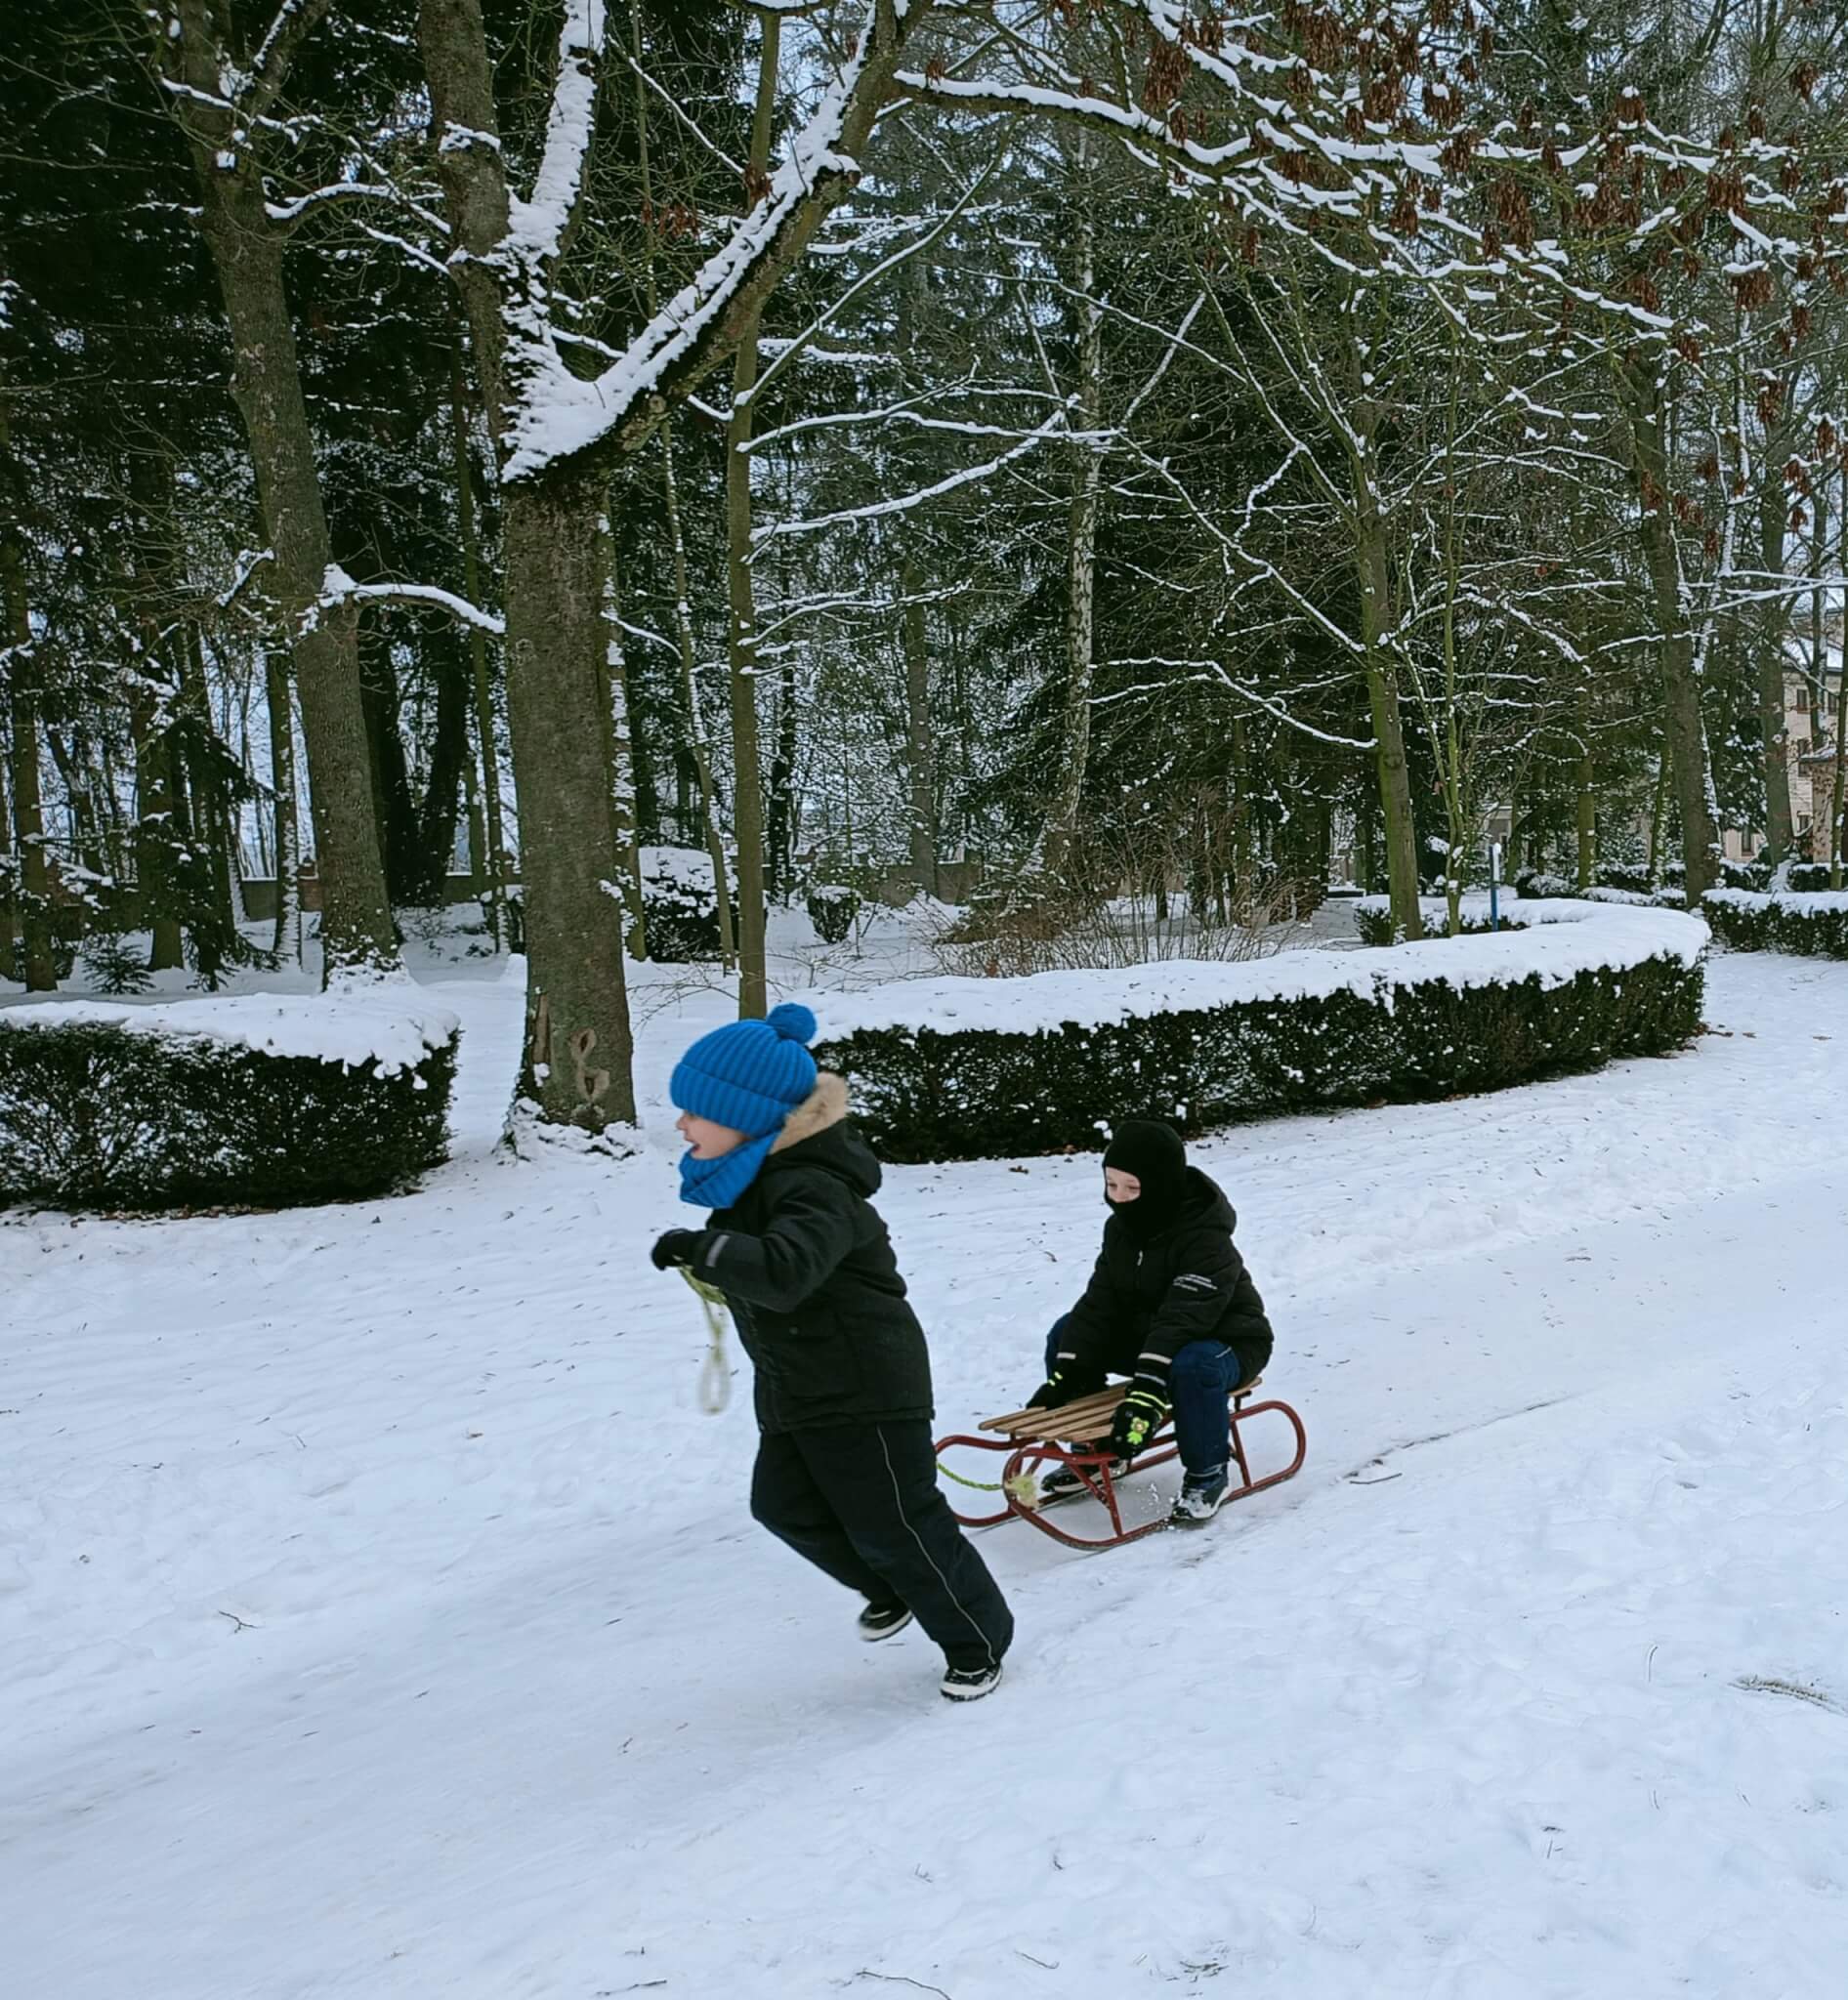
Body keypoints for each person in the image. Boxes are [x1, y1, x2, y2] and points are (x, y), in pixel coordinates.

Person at [651, 1002, 1014, 1702]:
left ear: (747, 1116)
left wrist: (708, 1249)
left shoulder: (812, 1185)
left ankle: (977, 1638)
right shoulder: (755, 1182)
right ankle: (890, 1587)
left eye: (695, 1111)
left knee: (898, 1522)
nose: (682, 1125)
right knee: (782, 1505)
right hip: (797, 1383)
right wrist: (714, 1260)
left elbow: (788, 1270)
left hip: (865, 1383)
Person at [1026, 1118, 1274, 1527]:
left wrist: (1148, 1387)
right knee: (1066, 1332)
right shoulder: (1120, 1231)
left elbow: (1185, 1317)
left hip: (1227, 1341)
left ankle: (1208, 1472)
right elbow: (1100, 1301)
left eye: (1132, 1188)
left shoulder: (1205, 1236)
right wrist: (1068, 1371)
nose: (1119, 1198)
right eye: (1111, 1185)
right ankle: (1096, 1452)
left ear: (1160, 1186)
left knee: (1192, 1364)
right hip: (1158, 1338)